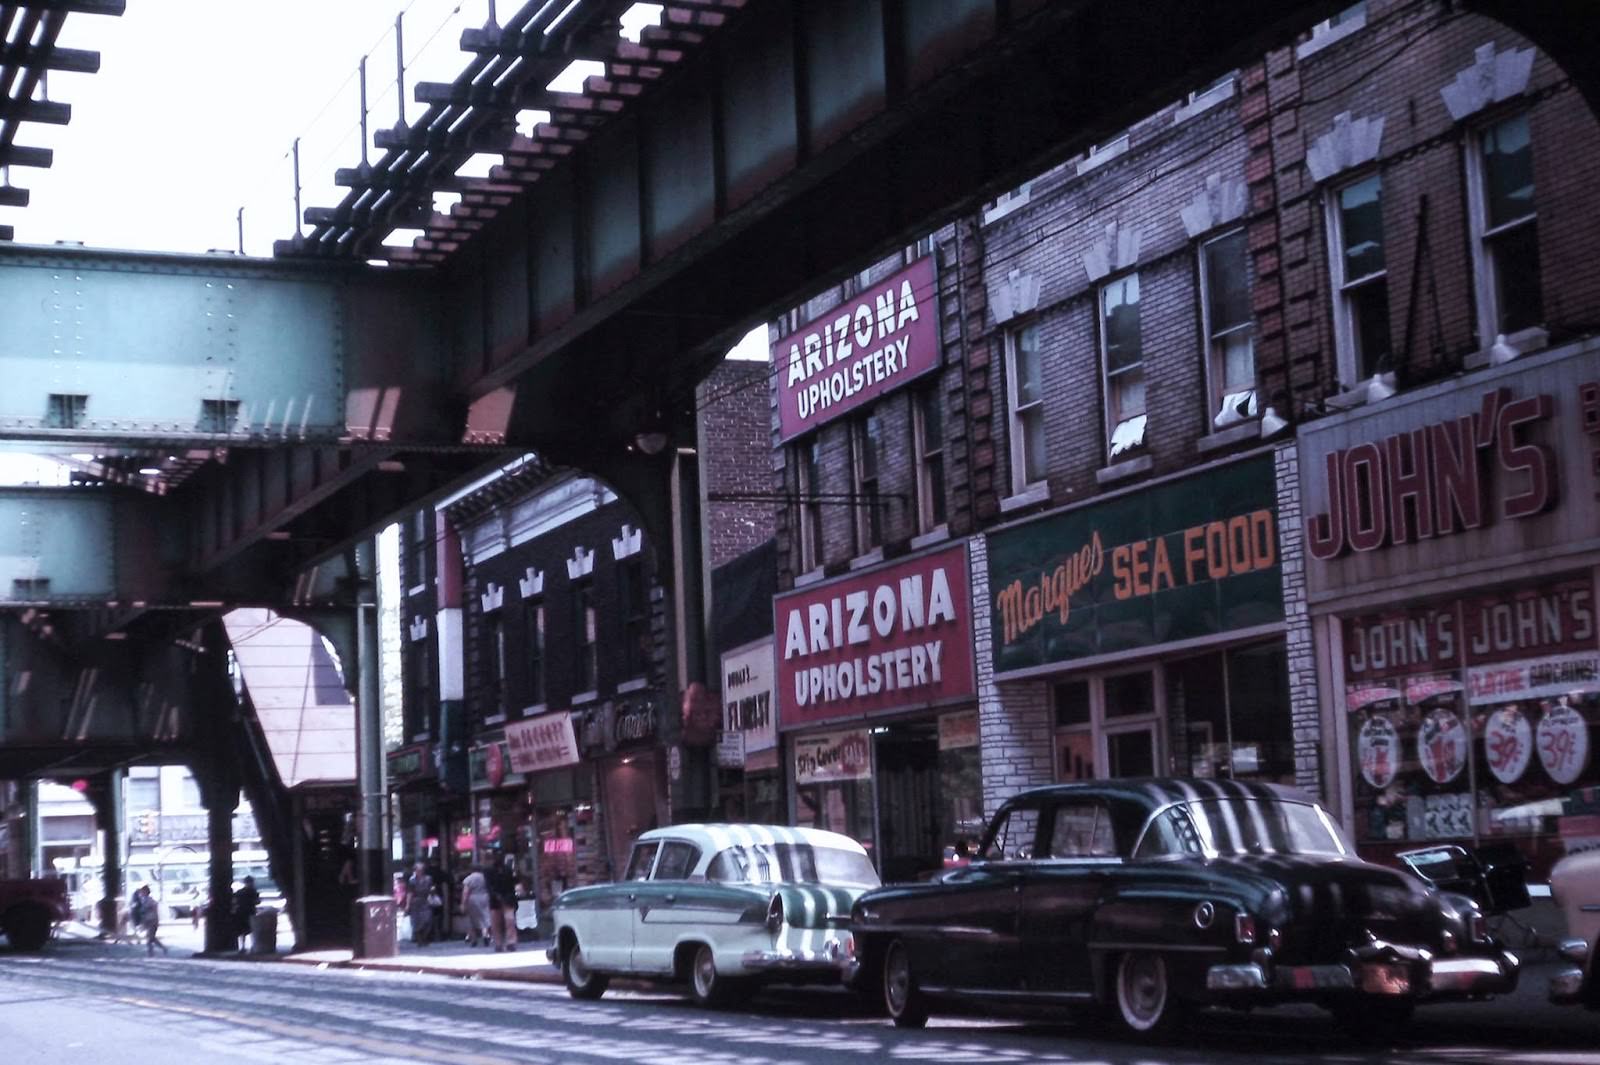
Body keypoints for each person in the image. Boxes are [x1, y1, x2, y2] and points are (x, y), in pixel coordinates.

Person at [487, 858, 519, 953]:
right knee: (507, 920)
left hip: (501, 898)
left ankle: (504, 943)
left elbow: (489, 886)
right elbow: (513, 884)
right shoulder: (506, 870)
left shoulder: (491, 871)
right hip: (502, 898)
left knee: (502, 921)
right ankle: (504, 942)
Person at [130, 885, 167, 956]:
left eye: (142, 891)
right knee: (151, 938)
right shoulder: (143, 900)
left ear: (146, 892)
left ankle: (151, 953)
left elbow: (152, 909)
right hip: (148, 921)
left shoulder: (149, 900)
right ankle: (162, 949)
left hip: (152, 921)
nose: (141, 893)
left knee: (150, 939)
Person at [460, 865, 491, 948]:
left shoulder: (469, 879)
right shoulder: (485, 877)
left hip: (473, 898)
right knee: (485, 916)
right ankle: (485, 934)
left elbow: (465, 892)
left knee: (472, 919)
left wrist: (463, 903)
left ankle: (474, 939)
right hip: (485, 897)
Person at [406, 862, 434, 944]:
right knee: (417, 922)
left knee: (427, 920)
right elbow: (410, 893)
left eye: (421, 870)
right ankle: (420, 940)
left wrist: (432, 891)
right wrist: (408, 905)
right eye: (417, 870)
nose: (419, 872)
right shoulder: (412, 880)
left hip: (425, 901)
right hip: (415, 902)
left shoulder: (428, 878)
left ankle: (424, 937)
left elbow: (431, 887)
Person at [233, 875, 260, 953]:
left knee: (242, 931)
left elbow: (234, 901)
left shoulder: (239, 892)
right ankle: (253, 946)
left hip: (240, 912)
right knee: (252, 929)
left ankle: (243, 947)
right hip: (251, 912)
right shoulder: (253, 891)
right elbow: (257, 901)